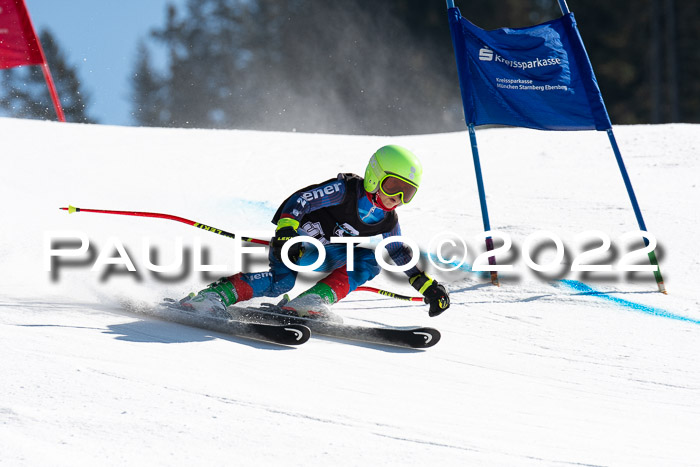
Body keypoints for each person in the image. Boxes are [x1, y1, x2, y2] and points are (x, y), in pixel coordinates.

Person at [180, 144, 450, 319]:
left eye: (408, 193)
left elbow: (398, 252)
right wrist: (287, 230)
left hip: (329, 253)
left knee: (372, 258)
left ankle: (311, 301)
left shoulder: (388, 221)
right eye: (393, 186)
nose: (398, 197)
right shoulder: (345, 191)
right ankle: (213, 296)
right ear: (374, 176)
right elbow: (302, 200)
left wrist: (427, 286)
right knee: (280, 283)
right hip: (297, 245)